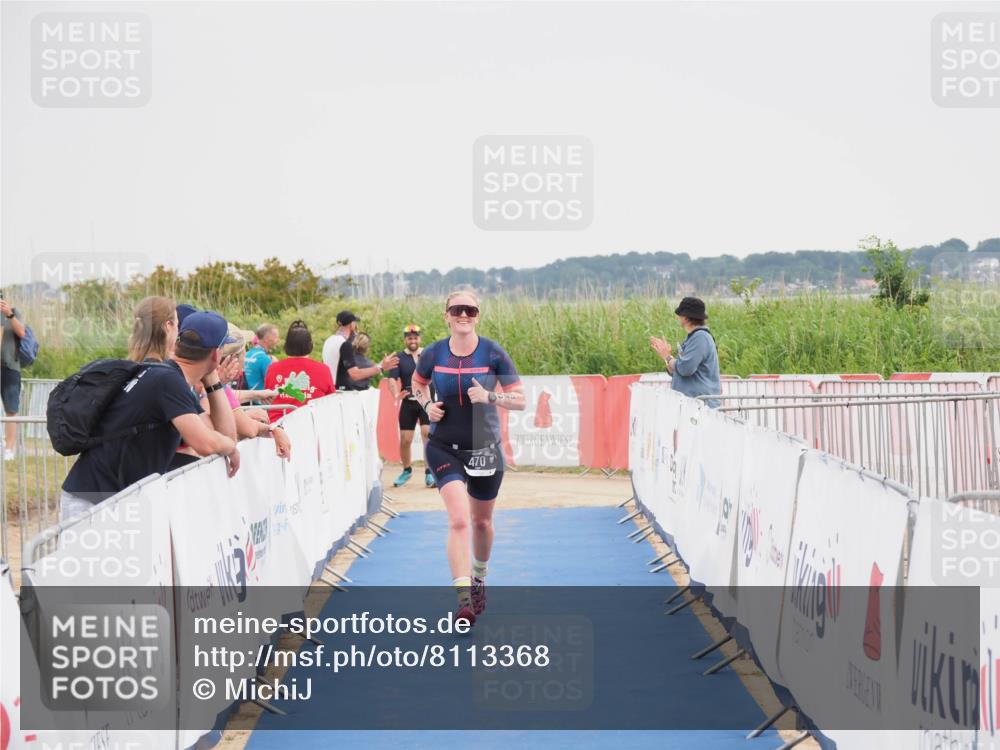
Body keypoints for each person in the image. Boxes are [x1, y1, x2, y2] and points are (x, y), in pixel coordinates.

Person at [410, 291, 525, 626]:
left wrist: (490, 396)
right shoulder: (432, 353)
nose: (464, 315)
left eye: (470, 310)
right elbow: (417, 385)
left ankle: (479, 577)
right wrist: (426, 405)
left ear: (478, 315)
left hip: (485, 448)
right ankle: (463, 601)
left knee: (481, 523)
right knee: (459, 519)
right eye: (457, 310)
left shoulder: (493, 352)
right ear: (446, 314)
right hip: (443, 446)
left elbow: (521, 400)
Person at [60, 310, 241, 520]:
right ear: (216, 354)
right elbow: (207, 443)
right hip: (96, 502)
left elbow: (223, 434)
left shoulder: (170, 378)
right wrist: (231, 449)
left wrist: (213, 382)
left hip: (106, 498)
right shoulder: (168, 381)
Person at [650, 296, 722, 408]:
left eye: (680, 315)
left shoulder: (700, 337)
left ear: (686, 318)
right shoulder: (695, 338)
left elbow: (685, 369)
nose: (678, 317)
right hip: (694, 405)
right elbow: (679, 370)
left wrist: (668, 357)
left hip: (701, 407)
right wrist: (667, 358)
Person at [386, 324, 435, 488]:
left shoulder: (428, 355)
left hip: (426, 403)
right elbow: (392, 379)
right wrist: (395, 394)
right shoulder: (399, 358)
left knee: (427, 434)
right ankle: (406, 470)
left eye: (415, 337)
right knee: (406, 440)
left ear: (419, 338)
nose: (412, 340)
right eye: (409, 338)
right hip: (408, 403)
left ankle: (429, 473)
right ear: (405, 340)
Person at [265, 320, 335, 422]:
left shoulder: (273, 368)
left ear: (287, 345)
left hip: (278, 426)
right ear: (310, 345)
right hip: (312, 425)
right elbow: (331, 399)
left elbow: (268, 396)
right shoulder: (323, 369)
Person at [323, 310, 398, 392]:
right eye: (355, 323)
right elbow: (355, 374)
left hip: (329, 390)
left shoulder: (328, 341)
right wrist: (381, 367)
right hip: (341, 394)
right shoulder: (345, 344)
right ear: (351, 324)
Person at [1, 294, 28, 461]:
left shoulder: (13, 312)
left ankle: (9, 449)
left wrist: (8, 314)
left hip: (10, 367)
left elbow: (22, 333)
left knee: (11, 410)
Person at [244, 323, 279, 391]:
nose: (277, 340)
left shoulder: (247, 354)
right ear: (266, 339)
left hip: (244, 398)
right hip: (258, 400)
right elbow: (274, 384)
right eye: (276, 336)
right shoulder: (264, 359)